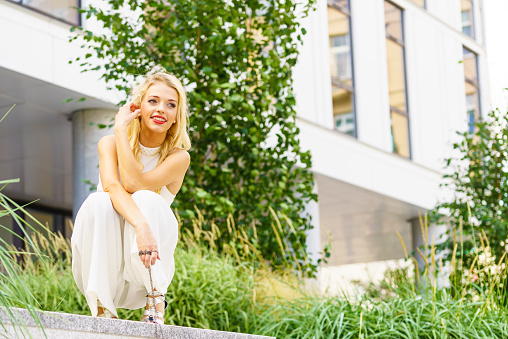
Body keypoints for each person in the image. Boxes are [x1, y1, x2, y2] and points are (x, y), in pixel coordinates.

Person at [71, 70, 191, 325]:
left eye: (171, 105)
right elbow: (114, 188)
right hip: (108, 268)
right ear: (138, 108)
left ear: (175, 118)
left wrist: (144, 227)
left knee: (146, 198)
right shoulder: (110, 144)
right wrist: (119, 129)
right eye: (153, 101)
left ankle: (155, 299)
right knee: (98, 200)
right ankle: (103, 307)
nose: (161, 109)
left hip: (147, 265)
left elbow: (136, 183)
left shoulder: (178, 157)